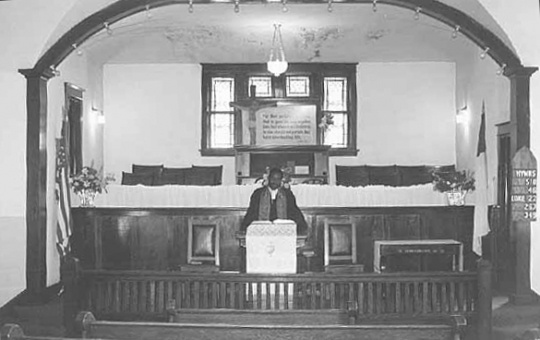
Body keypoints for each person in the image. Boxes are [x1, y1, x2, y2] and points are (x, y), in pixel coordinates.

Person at [241, 167, 308, 234]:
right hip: (263, 230)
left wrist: (301, 227)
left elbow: (294, 212)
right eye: (272, 178)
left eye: (277, 179)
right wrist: (244, 228)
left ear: (281, 180)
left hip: (281, 230)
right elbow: (251, 212)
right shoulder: (258, 193)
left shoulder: (287, 194)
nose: (274, 181)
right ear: (268, 178)